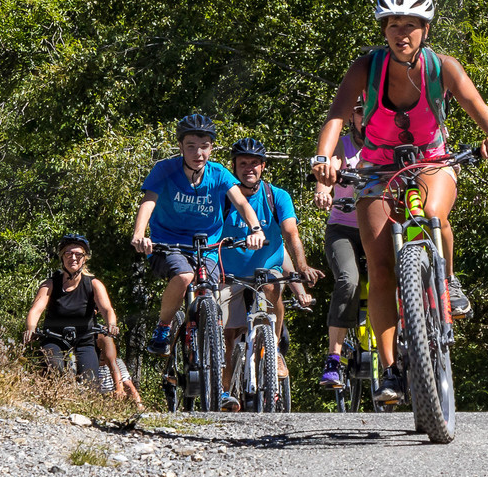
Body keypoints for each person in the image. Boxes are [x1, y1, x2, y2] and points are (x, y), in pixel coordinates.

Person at [310, 0, 488, 405]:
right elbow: (337, 115)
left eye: (411, 26)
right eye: (393, 25)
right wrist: (324, 157)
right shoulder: (366, 67)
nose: (402, 33)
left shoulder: (444, 68)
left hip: (431, 161)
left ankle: (449, 281)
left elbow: (474, 102)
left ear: (425, 30)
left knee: (433, 215)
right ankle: (392, 371)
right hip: (378, 167)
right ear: (384, 30)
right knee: (380, 267)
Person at [131, 113, 267, 357]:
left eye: (204, 147)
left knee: (212, 290)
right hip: (168, 244)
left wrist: (255, 229)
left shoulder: (219, 173)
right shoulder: (165, 169)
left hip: (207, 246)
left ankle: (208, 346)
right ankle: (163, 327)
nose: (198, 153)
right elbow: (148, 201)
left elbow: (242, 204)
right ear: (180, 146)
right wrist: (140, 234)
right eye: (191, 146)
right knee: (184, 276)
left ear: (212, 148)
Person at [218, 137, 322, 410]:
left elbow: (291, 233)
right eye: (243, 163)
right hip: (230, 275)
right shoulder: (224, 198)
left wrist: (302, 268)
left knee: (272, 286)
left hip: (266, 270)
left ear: (263, 167)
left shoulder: (277, 197)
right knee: (229, 337)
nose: (248, 168)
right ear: (234, 167)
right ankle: (225, 393)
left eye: (254, 163)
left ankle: (273, 348)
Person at [21, 233, 122, 393]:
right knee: (54, 370)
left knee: (91, 383)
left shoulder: (93, 284)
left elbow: (107, 309)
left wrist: (112, 325)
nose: (73, 258)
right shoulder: (50, 284)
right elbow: (36, 309)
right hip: (54, 337)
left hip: (84, 338)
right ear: (62, 257)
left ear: (85, 258)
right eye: (68, 253)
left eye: (78, 254)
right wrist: (31, 328)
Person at [318, 107, 367, 390]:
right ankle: (333, 360)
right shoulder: (343, 145)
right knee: (349, 280)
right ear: (352, 117)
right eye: (360, 110)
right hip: (343, 229)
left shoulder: (388, 143)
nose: (366, 115)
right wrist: (324, 191)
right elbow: (330, 169)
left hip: (381, 227)